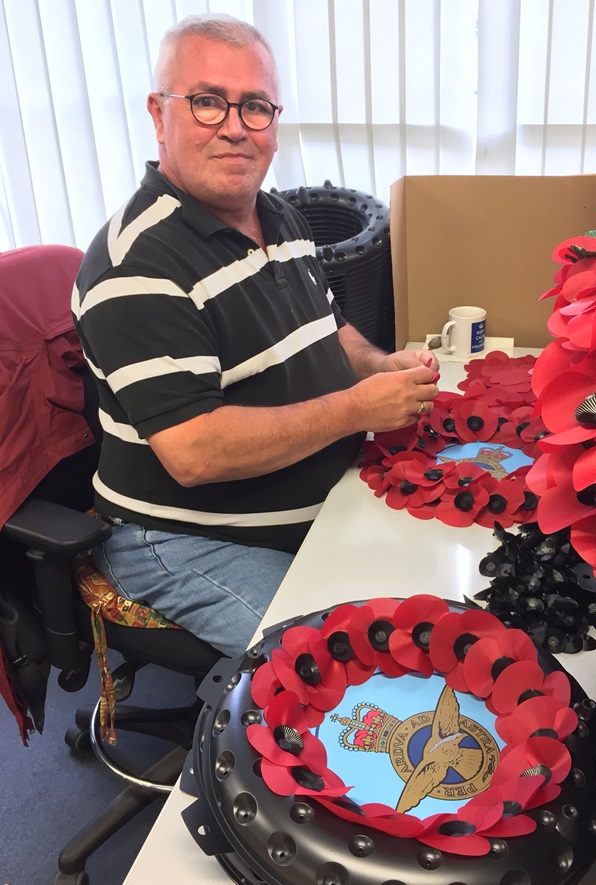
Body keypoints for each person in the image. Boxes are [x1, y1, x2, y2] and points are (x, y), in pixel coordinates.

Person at [73, 14, 439, 658]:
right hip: (185, 539)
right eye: (209, 103)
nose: (236, 127)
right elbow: (195, 453)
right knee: (346, 670)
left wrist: (378, 366)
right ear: (160, 116)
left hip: (314, 500)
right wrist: (356, 408)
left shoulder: (279, 215)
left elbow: (329, 329)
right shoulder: (137, 265)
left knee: (440, 600)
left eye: (256, 107)